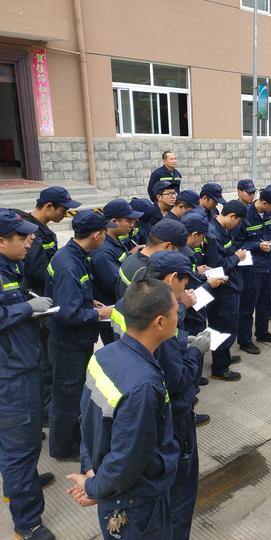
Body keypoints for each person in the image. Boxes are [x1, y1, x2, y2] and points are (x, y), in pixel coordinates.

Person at [66, 279, 180, 540]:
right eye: (176, 312)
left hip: (112, 490)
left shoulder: (103, 356)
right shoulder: (143, 386)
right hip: (137, 506)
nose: (179, 317)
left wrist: (90, 469)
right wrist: (93, 487)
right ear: (159, 322)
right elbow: (127, 460)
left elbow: (87, 419)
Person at [109, 253, 211, 540]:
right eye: (185, 281)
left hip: (146, 408)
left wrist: (182, 340)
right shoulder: (162, 319)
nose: (186, 288)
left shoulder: (131, 301)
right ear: (171, 278)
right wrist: (196, 351)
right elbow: (178, 379)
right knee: (180, 493)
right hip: (173, 416)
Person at [0, 209, 57, 540]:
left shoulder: (11, 265)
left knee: (26, 440)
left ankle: (22, 484)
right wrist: (25, 309)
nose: (29, 241)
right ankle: (28, 523)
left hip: (22, 365)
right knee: (19, 448)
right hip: (10, 376)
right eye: (22, 237)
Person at [45, 210, 115, 460]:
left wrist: (88, 302)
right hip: (68, 343)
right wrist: (99, 313)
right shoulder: (68, 265)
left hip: (76, 339)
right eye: (104, 232)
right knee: (67, 396)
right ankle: (64, 449)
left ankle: (72, 439)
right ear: (96, 235)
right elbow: (67, 313)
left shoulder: (76, 255)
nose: (106, 236)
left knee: (72, 392)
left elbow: (69, 298)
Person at [14, 186, 81, 428]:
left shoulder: (43, 231)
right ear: (49, 206)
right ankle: (43, 415)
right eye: (63, 209)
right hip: (38, 306)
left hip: (45, 302)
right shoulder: (31, 233)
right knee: (43, 362)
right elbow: (37, 271)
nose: (65, 214)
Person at [237, 185, 271, 354]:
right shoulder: (244, 216)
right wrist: (257, 246)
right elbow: (238, 243)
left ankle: (262, 332)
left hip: (269, 265)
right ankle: (245, 341)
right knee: (248, 305)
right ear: (264, 203)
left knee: (265, 301)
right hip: (252, 268)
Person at [91, 199, 143, 345]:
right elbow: (116, 283)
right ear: (114, 221)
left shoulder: (115, 240)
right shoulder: (103, 251)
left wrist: (130, 256)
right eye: (128, 221)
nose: (132, 225)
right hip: (113, 313)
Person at [205, 200, 247, 381]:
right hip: (223, 290)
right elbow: (216, 266)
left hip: (230, 286)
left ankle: (223, 357)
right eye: (238, 221)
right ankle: (220, 368)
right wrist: (237, 258)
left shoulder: (223, 229)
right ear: (231, 216)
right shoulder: (214, 235)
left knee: (226, 325)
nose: (238, 225)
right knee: (223, 326)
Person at [116, 219, 188, 299]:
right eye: (177, 251)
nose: (178, 254)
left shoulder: (131, 257)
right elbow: (152, 305)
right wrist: (183, 303)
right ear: (167, 246)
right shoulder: (148, 271)